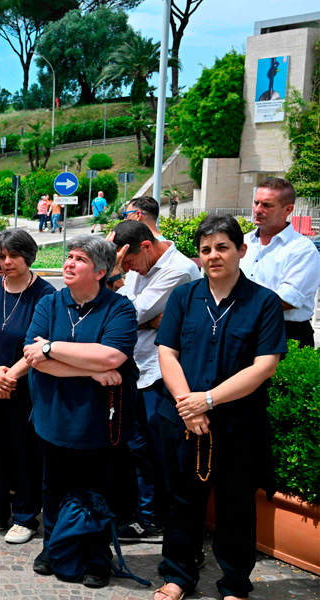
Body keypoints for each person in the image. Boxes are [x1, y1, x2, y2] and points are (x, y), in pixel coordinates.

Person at [154, 214, 287, 600]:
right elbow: (167, 351)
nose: (213, 255)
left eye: (222, 247)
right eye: (206, 249)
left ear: (241, 250)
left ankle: (234, 585)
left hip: (237, 424)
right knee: (181, 502)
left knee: (236, 506)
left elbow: (265, 366)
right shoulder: (183, 297)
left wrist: (208, 400)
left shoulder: (263, 302)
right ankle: (177, 576)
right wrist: (189, 405)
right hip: (183, 420)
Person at [22, 234, 137, 588]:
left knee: (97, 490)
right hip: (52, 415)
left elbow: (112, 357)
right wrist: (90, 368)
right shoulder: (49, 303)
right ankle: (54, 547)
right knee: (53, 486)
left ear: (101, 271)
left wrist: (53, 348)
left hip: (98, 420)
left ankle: (96, 557)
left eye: (80, 259)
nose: (69, 263)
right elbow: (32, 358)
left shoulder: (119, 308)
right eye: (69, 257)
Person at [106, 221, 201, 543]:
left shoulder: (179, 270)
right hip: (137, 367)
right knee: (138, 448)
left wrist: (116, 278)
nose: (127, 269)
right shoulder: (140, 267)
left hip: (164, 371)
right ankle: (146, 517)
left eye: (128, 262)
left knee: (163, 452)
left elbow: (128, 313)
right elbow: (126, 314)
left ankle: (167, 521)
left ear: (146, 246)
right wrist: (149, 322)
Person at [0, 229, 56, 543]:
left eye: (13, 256)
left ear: (28, 256)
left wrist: (10, 376)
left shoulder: (45, 294)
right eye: (1, 256)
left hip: (27, 387)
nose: (6, 262)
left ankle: (26, 516)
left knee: (24, 452)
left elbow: (42, 342)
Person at [241, 178, 320, 349]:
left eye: (267, 205)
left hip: (286, 333)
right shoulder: (242, 242)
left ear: (288, 210)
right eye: (256, 203)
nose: (258, 210)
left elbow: (288, 299)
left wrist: (237, 302)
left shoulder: (303, 250)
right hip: (241, 328)